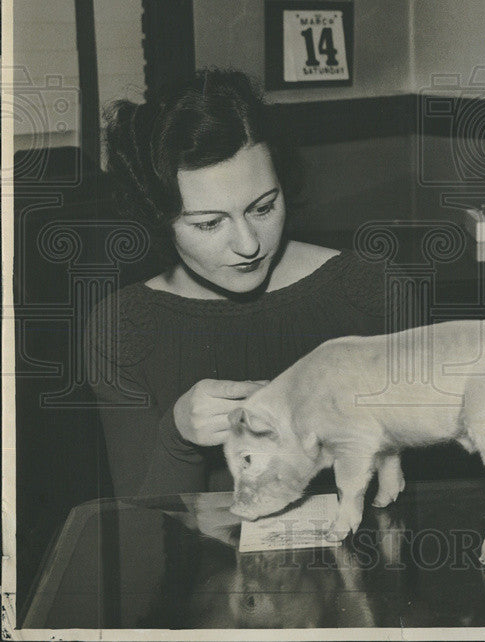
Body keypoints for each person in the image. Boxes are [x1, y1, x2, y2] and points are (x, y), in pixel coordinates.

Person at [88, 70, 389, 497]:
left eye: (263, 208)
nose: (249, 245)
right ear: (159, 221)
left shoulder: (366, 290)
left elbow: (422, 497)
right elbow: (142, 535)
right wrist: (177, 436)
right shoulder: (122, 328)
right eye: (209, 223)